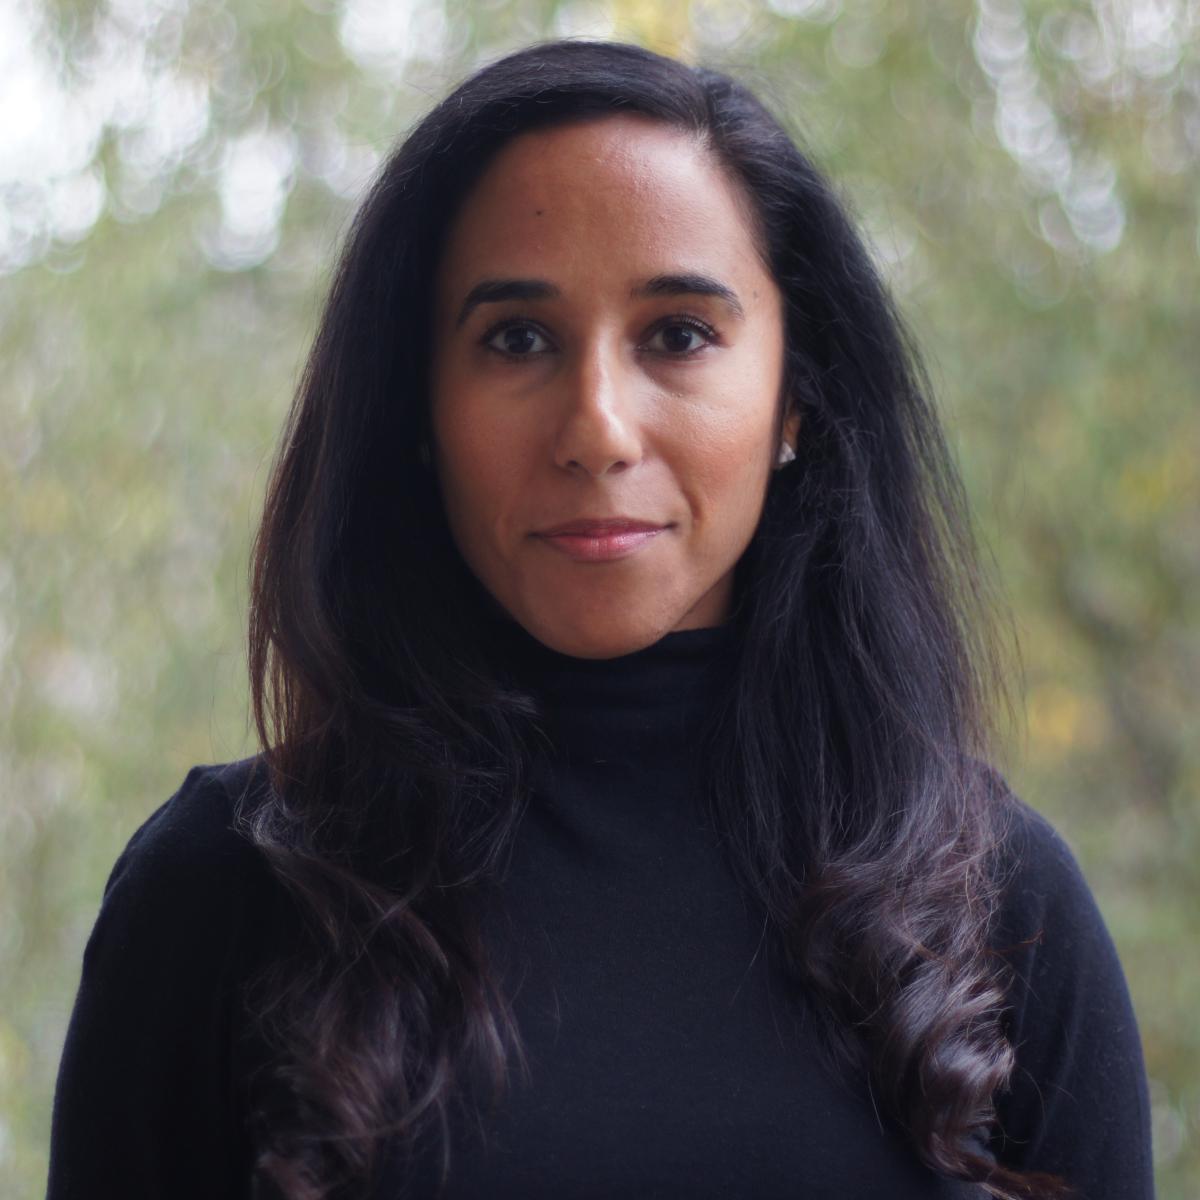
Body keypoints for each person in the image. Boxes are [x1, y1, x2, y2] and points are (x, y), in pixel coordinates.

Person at [46, 38, 1153, 1200]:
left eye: (678, 334)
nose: (598, 428)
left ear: (797, 398)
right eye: (516, 339)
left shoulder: (1003, 910)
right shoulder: (226, 890)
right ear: (418, 406)